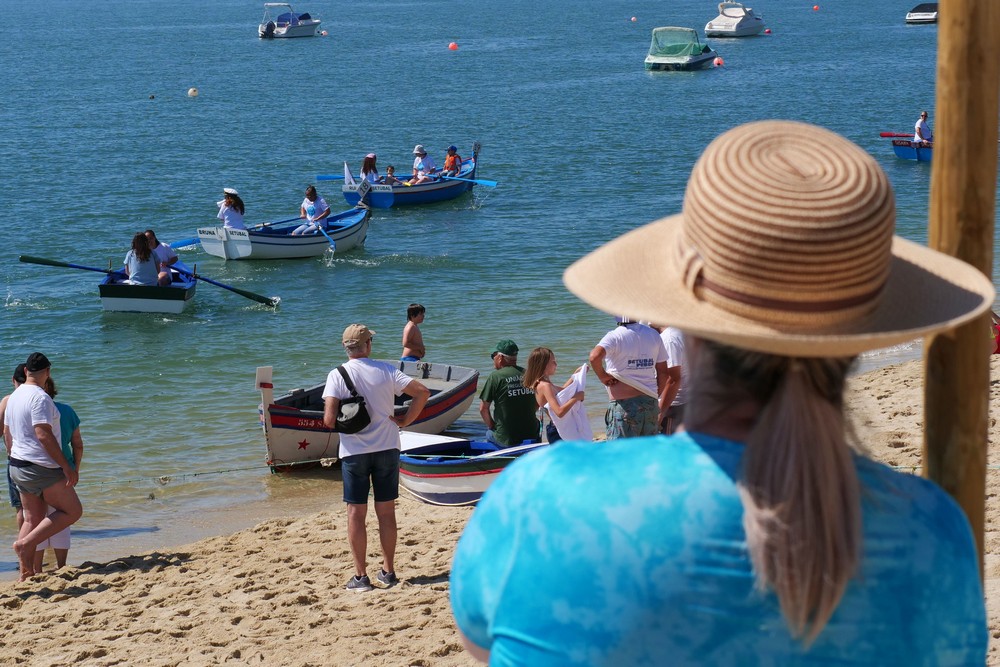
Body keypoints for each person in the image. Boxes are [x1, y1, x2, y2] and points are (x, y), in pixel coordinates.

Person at [451, 120, 992, 664]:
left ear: (684, 316)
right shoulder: (931, 534)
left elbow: (481, 643)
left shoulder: (540, 501)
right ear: (859, 340)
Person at [322, 325, 430, 592]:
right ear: (368, 345)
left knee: (356, 514)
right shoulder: (386, 370)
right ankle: (388, 572)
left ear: (345, 347)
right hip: (387, 448)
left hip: (354, 452)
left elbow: (329, 420)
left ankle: (361, 577)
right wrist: (405, 420)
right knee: (386, 512)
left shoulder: (337, 375)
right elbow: (422, 392)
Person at [4, 353, 83, 580]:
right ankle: (25, 544)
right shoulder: (40, 398)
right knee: (73, 511)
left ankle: (26, 572)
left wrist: (13, 457)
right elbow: (43, 434)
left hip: (17, 465)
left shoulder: (14, 396)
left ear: (26, 371)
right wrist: (66, 467)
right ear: (47, 372)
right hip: (40, 467)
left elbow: (8, 434)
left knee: (32, 518)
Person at [589, 317, 668, 439]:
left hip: (623, 406)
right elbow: (663, 372)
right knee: (647, 449)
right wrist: (655, 395)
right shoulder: (653, 335)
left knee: (620, 451)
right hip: (650, 404)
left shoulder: (615, 336)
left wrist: (603, 376)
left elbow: (594, 357)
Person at [34, 374, 82, 572]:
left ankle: (36, 568)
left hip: (35, 470)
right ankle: (61, 565)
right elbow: (77, 444)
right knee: (61, 518)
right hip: (63, 471)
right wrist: (75, 469)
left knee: (37, 519)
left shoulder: (31, 413)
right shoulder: (67, 411)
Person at [478, 340, 540, 447]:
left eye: (493, 356)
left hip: (507, 439)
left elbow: (483, 409)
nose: (493, 359)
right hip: (531, 434)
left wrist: (492, 426)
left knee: (489, 433)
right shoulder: (528, 374)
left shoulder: (496, 377)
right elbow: (537, 404)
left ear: (500, 357)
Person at [521, 347, 585, 443]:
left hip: (558, 429)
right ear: (544, 365)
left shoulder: (546, 384)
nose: (556, 364)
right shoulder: (545, 386)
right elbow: (559, 412)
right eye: (553, 362)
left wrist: (575, 376)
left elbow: (563, 391)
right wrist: (576, 398)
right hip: (558, 431)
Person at [1, 363, 27, 530]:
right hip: (39, 459)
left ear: (13, 380)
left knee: (21, 508)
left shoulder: (8, 400)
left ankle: (24, 540)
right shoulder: (40, 398)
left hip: (15, 460)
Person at [656, 324, 687, 434]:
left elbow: (673, 379)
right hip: (685, 401)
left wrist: (660, 413)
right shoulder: (682, 332)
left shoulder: (669, 338)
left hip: (672, 405)